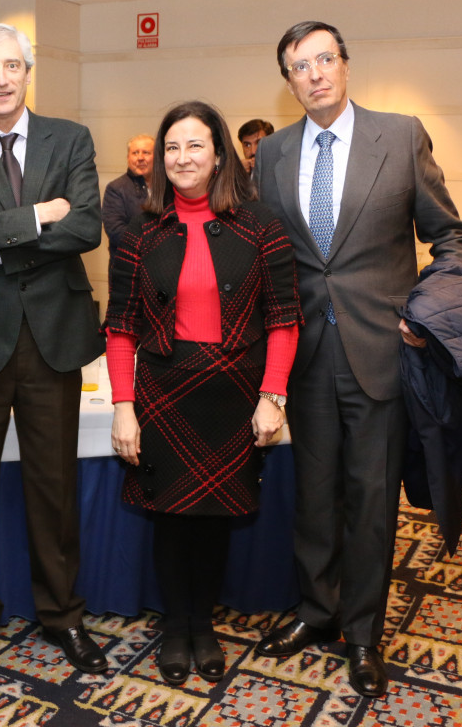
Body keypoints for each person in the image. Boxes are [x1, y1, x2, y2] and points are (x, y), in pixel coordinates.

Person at [252, 21, 462, 698]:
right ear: (288, 82)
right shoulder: (272, 153)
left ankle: (363, 632)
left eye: (324, 59)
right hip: (305, 355)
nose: (314, 74)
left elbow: (451, 236)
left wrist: (426, 313)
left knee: (372, 499)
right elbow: (264, 251)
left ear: (346, 65)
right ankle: (317, 609)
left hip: (381, 349)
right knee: (313, 497)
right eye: (300, 66)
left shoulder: (400, 136)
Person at [0, 21, 107, 674]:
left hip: (52, 338)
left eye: (12, 66)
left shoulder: (71, 138)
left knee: (54, 486)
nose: (1, 79)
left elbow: (86, 228)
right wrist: (38, 216)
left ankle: (63, 615)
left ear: (28, 72)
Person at [106, 101, 300, 685]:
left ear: (219, 155)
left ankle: (203, 626)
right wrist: (123, 407)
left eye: (195, 145)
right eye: (172, 147)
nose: (182, 157)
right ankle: (176, 627)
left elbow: (284, 319)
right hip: (164, 395)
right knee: (170, 518)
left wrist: (273, 395)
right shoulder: (139, 234)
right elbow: (121, 328)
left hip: (234, 394)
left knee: (215, 518)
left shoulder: (261, 225)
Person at [102, 133, 153, 251]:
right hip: (129, 259)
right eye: (135, 153)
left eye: (146, 152)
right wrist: (153, 244)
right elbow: (115, 230)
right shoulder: (116, 188)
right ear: (128, 158)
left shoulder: (168, 186)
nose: (140, 158)